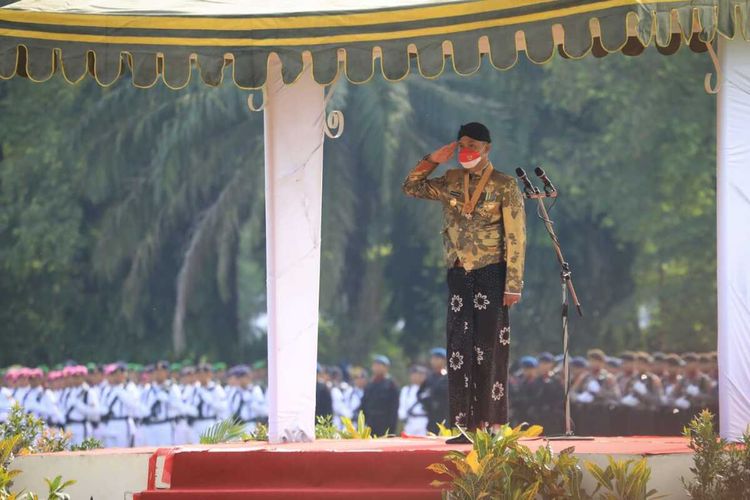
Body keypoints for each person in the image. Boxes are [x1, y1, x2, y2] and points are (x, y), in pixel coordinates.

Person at [403, 122, 526, 444]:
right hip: (459, 272)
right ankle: (466, 427)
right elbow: (411, 187)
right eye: (462, 144)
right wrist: (432, 159)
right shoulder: (451, 180)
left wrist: (513, 283)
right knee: (459, 350)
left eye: (473, 145)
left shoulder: (504, 185)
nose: (466, 150)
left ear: (487, 148)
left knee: (489, 349)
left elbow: (516, 237)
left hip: (492, 272)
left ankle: (491, 425)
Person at [357, 355, 399, 437]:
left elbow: (394, 408)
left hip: (385, 424)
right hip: (370, 424)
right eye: (375, 365)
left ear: (386, 367)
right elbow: (364, 405)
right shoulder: (370, 384)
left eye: (379, 365)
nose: (376, 368)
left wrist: (392, 429)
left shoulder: (391, 384)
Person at [418, 348, 449, 434]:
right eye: (433, 359)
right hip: (431, 415)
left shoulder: (447, 377)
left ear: (444, 360)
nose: (434, 361)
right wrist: (426, 402)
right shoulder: (429, 378)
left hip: (445, 415)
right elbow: (420, 394)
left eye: (437, 359)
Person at [398, 365, 428, 436]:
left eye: (420, 374)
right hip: (410, 421)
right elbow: (402, 405)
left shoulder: (427, 390)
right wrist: (403, 417)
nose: (417, 377)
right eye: (414, 374)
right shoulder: (406, 389)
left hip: (424, 421)